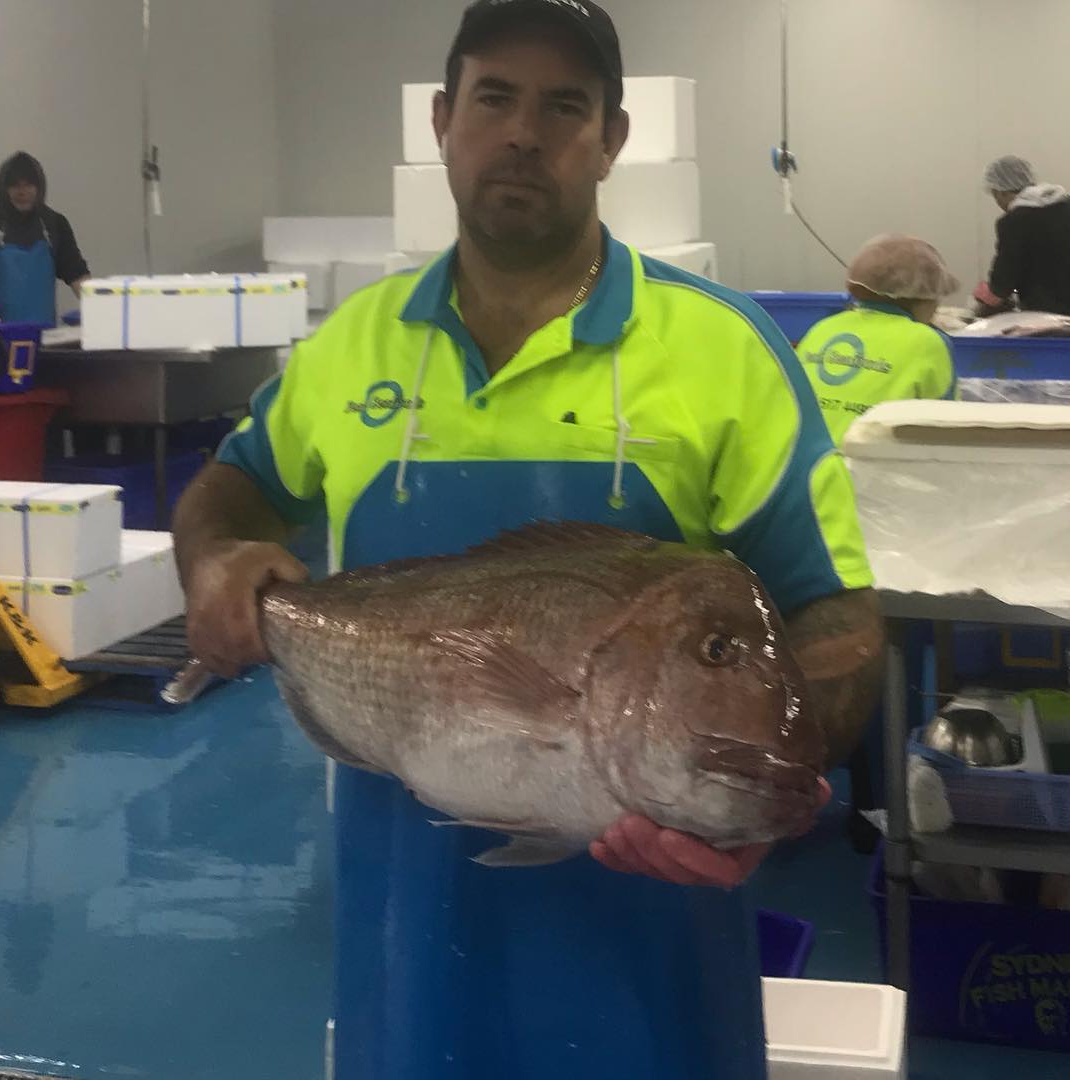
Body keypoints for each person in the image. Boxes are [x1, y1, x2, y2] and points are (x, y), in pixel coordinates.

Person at [173, 2, 885, 1077]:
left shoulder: (724, 349)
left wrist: (758, 794)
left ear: (612, 140)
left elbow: (835, 617)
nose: (525, 131)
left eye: (566, 105)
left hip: (656, 949)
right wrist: (219, 559)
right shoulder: (351, 345)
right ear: (444, 118)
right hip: (403, 934)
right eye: (496, 97)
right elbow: (231, 494)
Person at [796, 234, 959, 445]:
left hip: (805, 467)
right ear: (923, 298)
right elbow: (947, 425)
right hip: (868, 470)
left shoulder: (823, 328)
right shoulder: (928, 341)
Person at [0, 152, 90, 325]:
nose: (22, 192)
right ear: (3, 189)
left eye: (29, 185)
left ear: (40, 187)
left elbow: (77, 275)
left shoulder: (55, 224)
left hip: (44, 339)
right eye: (15, 186)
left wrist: (101, 311)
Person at [974, 155, 1070, 317]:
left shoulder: (1013, 222)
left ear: (1000, 192)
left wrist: (987, 294)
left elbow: (1003, 281)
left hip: (1046, 314)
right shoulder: (1066, 206)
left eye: (996, 196)